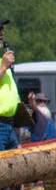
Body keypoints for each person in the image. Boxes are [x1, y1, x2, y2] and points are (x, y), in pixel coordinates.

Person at [0, 19, 19, 150]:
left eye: (2, 29)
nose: (2, 33)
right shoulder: (3, 64)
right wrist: (3, 66)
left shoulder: (2, 61)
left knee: (19, 159)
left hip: (8, 123)